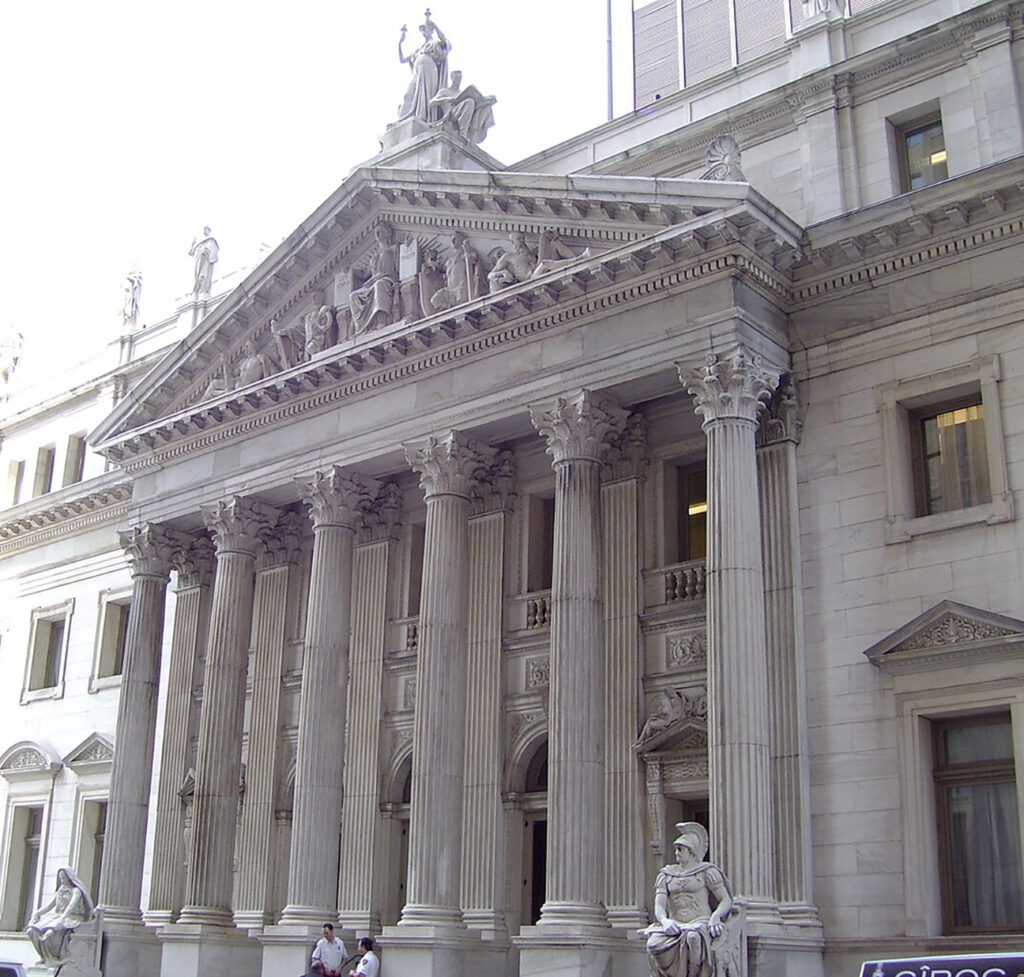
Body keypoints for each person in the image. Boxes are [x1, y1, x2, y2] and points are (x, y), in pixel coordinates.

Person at [642, 822, 733, 977]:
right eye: (676, 849)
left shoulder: (707, 872)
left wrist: (716, 917)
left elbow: (725, 899)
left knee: (693, 938)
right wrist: (665, 921)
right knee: (653, 944)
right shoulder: (666, 875)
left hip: (700, 922)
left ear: (692, 851)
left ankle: (693, 974)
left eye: (680, 849)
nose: (676, 853)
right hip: (674, 924)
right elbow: (659, 906)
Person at [25, 866, 93, 964]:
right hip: (57, 917)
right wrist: (36, 913)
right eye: (60, 878)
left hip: (71, 918)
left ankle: (52, 957)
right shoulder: (60, 891)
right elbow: (49, 906)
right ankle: (44, 956)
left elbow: (71, 906)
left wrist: (62, 919)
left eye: (64, 878)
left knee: (49, 934)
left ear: (69, 877)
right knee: (31, 930)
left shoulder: (76, 891)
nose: (62, 880)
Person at [396, 12, 450, 124]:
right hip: (418, 72)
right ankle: (403, 120)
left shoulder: (435, 43)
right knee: (408, 95)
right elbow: (402, 60)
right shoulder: (419, 49)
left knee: (426, 95)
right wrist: (400, 43)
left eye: (424, 29)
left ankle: (423, 118)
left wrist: (435, 26)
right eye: (421, 30)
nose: (423, 32)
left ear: (431, 30)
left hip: (429, 70)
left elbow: (445, 42)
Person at [349, 224, 399, 334]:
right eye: (376, 232)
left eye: (380, 231)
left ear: (388, 233)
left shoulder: (394, 249)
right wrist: (351, 271)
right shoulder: (374, 256)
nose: (377, 234)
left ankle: (382, 319)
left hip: (388, 279)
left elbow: (399, 267)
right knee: (354, 296)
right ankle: (362, 326)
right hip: (374, 281)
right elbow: (365, 274)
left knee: (379, 285)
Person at [189, 226, 219, 296]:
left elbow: (213, 252)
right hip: (199, 259)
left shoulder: (211, 240)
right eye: (204, 229)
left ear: (209, 231)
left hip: (206, 259)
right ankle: (197, 290)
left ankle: (204, 290)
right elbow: (193, 250)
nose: (204, 231)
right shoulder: (199, 241)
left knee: (205, 275)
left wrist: (206, 251)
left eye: (206, 229)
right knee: (198, 274)